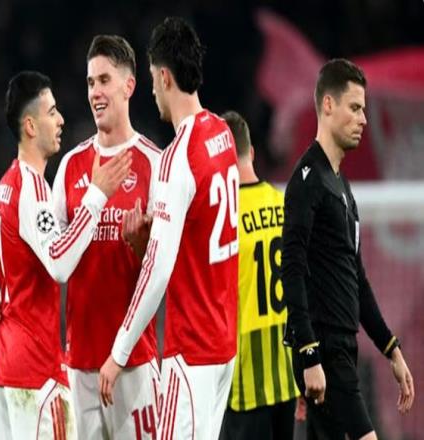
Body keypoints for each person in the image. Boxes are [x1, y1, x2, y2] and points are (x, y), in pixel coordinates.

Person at [99, 17, 239, 439]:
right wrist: (151, 240)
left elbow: (158, 271)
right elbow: (199, 238)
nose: (152, 92)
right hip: (223, 347)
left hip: (192, 351)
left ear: (163, 77)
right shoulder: (223, 134)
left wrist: (119, 351)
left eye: (152, 80)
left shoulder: (177, 157)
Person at [0, 70, 130, 439]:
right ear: (31, 126)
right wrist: (96, 195)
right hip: (35, 371)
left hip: (3, 366)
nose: (61, 119)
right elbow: (60, 264)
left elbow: (15, 269)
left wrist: (1, 297)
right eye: (52, 112)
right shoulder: (33, 188)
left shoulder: (6, 185)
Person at [281, 58, 415, 439]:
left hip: (342, 346)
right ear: (328, 105)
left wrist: (391, 348)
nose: (364, 120)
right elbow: (291, 268)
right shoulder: (307, 180)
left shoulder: (341, 186)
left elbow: (357, 278)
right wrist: (309, 353)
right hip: (324, 349)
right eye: (355, 108)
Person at [52, 35, 162, 439]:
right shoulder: (70, 166)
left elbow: (169, 266)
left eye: (104, 80)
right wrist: (7, 293)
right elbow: (51, 258)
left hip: (135, 364)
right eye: (89, 83)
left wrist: (143, 247)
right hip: (79, 365)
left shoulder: (154, 163)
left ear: (129, 86)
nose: (95, 92)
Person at [218, 111, 300, 440]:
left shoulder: (224, 218)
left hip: (244, 380)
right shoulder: (285, 205)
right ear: (251, 152)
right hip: (286, 375)